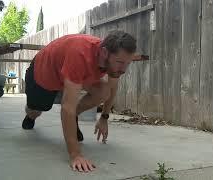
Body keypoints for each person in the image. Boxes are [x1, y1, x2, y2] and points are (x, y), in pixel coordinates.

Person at [21, 30, 137, 172]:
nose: (123, 69)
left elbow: (112, 89)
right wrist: (75, 155)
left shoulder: (113, 63)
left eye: (127, 63)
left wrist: (104, 118)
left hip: (68, 73)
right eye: (120, 62)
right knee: (37, 110)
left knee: (103, 91)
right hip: (43, 75)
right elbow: (67, 108)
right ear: (105, 52)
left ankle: (74, 118)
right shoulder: (80, 54)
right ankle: (30, 114)